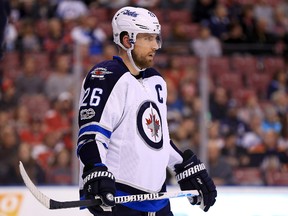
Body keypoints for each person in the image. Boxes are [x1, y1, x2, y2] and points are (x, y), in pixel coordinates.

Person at [76, 6, 217, 216]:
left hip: (158, 201)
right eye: (147, 38)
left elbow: (158, 139)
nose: (155, 46)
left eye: (155, 38)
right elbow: (91, 134)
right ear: (126, 40)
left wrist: (182, 166)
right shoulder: (106, 76)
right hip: (119, 200)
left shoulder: (156, 81)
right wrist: (95, 169)